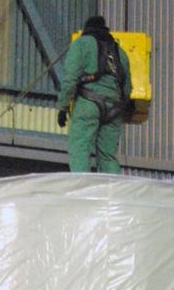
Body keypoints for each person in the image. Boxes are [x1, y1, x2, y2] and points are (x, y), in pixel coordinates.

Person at [56, 15, 133, 173]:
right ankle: (112, 192)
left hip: (88, 102)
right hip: (114, 109)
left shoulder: (82, 44)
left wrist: (63, 108)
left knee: (80, 148)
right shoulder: (121, 53)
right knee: (107, 156)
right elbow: (127, 89)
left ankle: (81, 187)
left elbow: (70, 80)